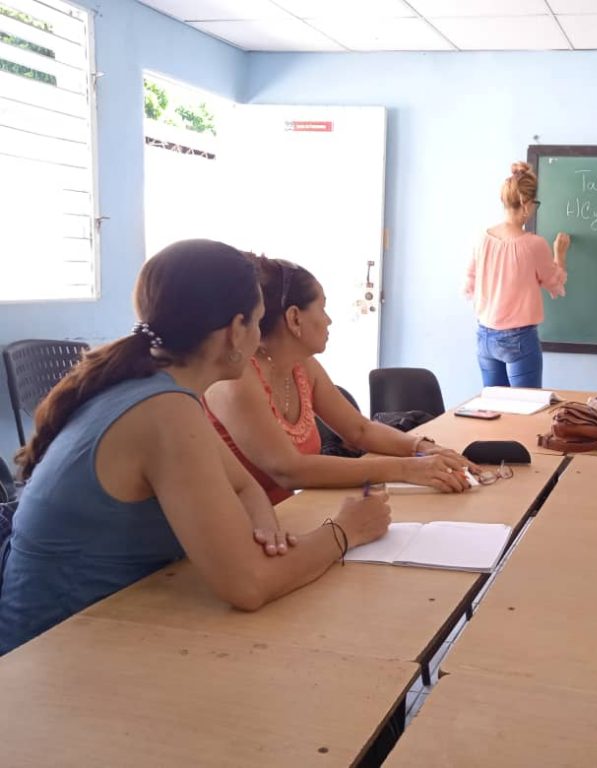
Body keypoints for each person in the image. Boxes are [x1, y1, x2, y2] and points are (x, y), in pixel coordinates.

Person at [0, 240, 390, 655]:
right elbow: (249, 585)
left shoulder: (155, 388)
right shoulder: (164, 411)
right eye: (259, 323)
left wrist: (266, 532)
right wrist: (346, 529)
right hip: (47, 656)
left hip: (109, 625)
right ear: (236, 330)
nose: (260, 338)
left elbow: (245, 486)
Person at [204, 255, 476, 504]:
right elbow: (288, 470)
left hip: (285, 514)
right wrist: (405, 468)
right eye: (322, 308)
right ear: (294, 318)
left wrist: (422, 448)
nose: (329, 320)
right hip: (239, 526)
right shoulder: (236, 381)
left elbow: (360, 430)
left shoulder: (303, 366)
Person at [464, 161, 571, 389]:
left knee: (494, 406)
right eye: (535, 204)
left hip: (485, 336)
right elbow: (554, 282)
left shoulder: (482, 238)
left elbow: (470, 283)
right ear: (526, 204)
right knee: (526, 406)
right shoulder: (534, 245)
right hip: (519, 339)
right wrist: (560, 255)